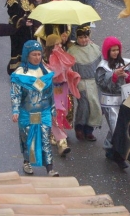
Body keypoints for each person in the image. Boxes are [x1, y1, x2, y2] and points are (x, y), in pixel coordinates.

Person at [10, 40, 59, 176]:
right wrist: (15, 111)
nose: (37, 57)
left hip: (43, 112)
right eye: (34, 55)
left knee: (45, 139)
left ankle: (50, 168)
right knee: (28, 139)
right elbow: (15, 94)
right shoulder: (20, 75)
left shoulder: (46, 73)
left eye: (39, 54)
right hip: (26, 113)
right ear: (27, 56)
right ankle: (27, 161)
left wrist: (53, 110)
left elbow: (50, 94)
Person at [96, 37, 130, 169]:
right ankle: (119, 156)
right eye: (113, 50)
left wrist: (127, 76)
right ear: (107, 51)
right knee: (117, 128)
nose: (116, 52)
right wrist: (113, 76)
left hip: (124, 100)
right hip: (109, 101)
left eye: (117, 49)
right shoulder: (102, 66)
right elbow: (101, 84)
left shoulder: (125, 62)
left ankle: (109, 148)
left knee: (119, 126)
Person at [44, 33, 80, 157]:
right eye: (56, 44)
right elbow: (49, 74)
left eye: (60, 44)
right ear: (50, 46)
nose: (59, 46)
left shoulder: (62, 56)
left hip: (63, 89)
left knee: (63, 111)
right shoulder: (45, 58)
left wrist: (73, 75)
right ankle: (62, 142)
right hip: (52, 89)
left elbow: (68, 72)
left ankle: (56, 136)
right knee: (56, 112)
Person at [68, 25, 102, 141]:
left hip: (94, 82)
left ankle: (89, 130)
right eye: (81, 37)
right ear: (77, 38)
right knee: (84, 106)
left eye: (86, 37)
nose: (84, 40)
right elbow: (69, 70)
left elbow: (100, 66)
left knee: (95, 106)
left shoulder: (95, 48)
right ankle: (79, 127)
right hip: (80, 82)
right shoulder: (72, 51)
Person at [6, 0, 35, 74]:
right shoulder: (13, 1)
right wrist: (23, 22)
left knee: (26, 48)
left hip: (26, 29)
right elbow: (13, 16)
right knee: (16, 49)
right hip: (16, 30)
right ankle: (14, 70)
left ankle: (24, 68)